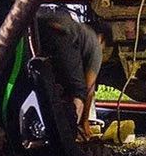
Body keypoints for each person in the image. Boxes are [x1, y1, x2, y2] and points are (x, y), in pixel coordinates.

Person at [37, 9, 111, 139]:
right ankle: (69, 136)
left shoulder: (81, 31)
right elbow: (88, 88)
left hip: (39, 27)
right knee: (78, 90)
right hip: (61, 33)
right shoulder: (95, 44)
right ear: (102, 38)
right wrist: (85, 122)